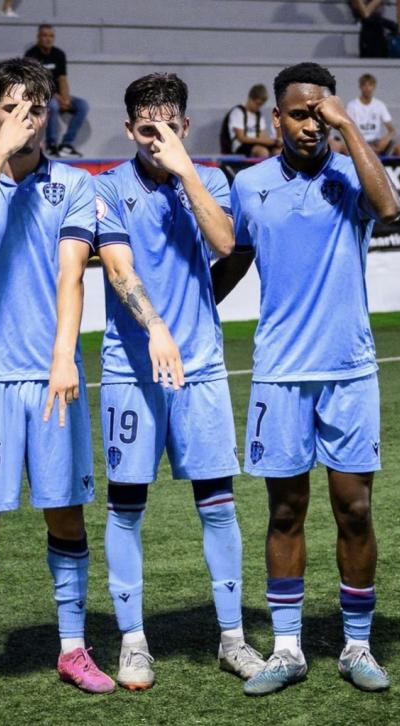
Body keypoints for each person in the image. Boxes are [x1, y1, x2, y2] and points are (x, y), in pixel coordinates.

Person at [211, 61, 400, 696]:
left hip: (350, 370)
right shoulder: (251, 184)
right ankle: (288, 648)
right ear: (277, 118)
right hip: (280, 375)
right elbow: (233, 262)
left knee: (354, 507)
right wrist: (182, 317)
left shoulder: (353, 176)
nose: (311, 124)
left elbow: (390, 206)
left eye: (321, 113)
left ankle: (357, 645)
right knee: (286, 509)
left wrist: (348, 126)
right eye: (300, 113)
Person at [0, 56, 114, 704]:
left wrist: (64, 356)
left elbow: (72, 277)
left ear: (49, 114)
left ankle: (72, 648)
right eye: (11, 108)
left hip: (51, 381)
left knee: (65, 516)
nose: (25, 121)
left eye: (34, 110)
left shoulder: (74, 184)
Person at [94, 72, 265, 691]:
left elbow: (225, 242)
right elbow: (118, 268)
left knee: (217, 504)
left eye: (167, 125)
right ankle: (134, 642)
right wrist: (156, 326)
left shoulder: (211, 178)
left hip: (203, 369)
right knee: (128, 508)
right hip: (130, 372)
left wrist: (184, 166)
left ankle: (232, 639)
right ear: (128, 127)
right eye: (145, 126)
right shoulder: (107, 188)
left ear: (185, 126)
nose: (155, 136)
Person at [25, 24, 89, 157]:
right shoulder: (31, 55)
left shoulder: (59, 54)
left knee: (83, 105)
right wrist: (57, 97)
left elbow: (62, 79)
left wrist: (65, 98)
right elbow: (34, 83)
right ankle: (51, 145)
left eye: (51, 36)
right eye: (45, 35)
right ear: (38, 37)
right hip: (39, 95)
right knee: (52, 105)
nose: (48, 39)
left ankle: (66, 144)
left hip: (58, 95)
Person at [344, 73, 400, 156]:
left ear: (374, 86)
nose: (367, 88)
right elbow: (347, 129)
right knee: (344, 148)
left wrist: (385, 140)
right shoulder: (352, 106)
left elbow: (392, 130)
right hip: (359, 142)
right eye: (364, 85)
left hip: (376, 142)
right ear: (360, 87)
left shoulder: (380, 105)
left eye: (370, 85)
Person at [222, 84, 281, 158]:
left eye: (261, 105)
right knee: (262, 152)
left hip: (256, 145)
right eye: (257, 104)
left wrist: (274, 142)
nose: (258, 107)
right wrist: (264, 141)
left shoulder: (258, 115)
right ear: (250, 98)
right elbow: (241, 138)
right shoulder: (238, 112)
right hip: (240, 146)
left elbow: (261, 135)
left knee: (278, 151)